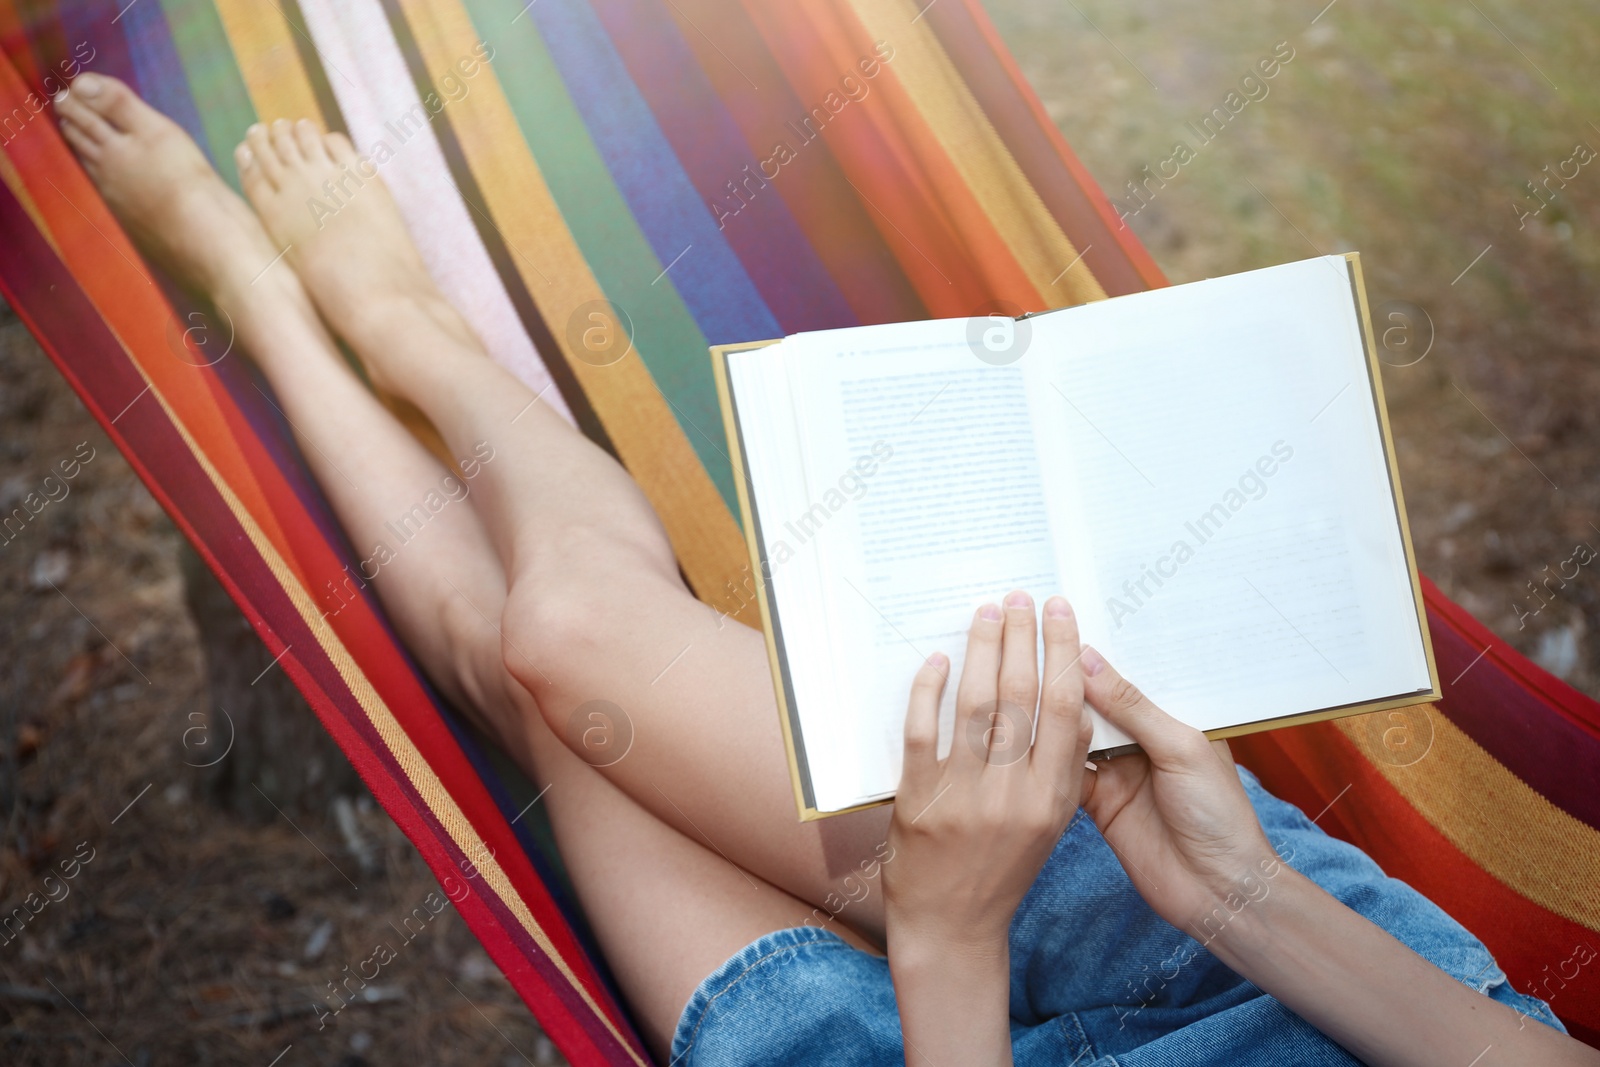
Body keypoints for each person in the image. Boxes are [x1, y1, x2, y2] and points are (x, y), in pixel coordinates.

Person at [51, 71, 1593, 1066]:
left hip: (907, 1042)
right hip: (1268, 974)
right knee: (569, 639)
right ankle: (414, 341)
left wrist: (946, 936)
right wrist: (1243, 895)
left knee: (515, 674)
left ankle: (267, 290)